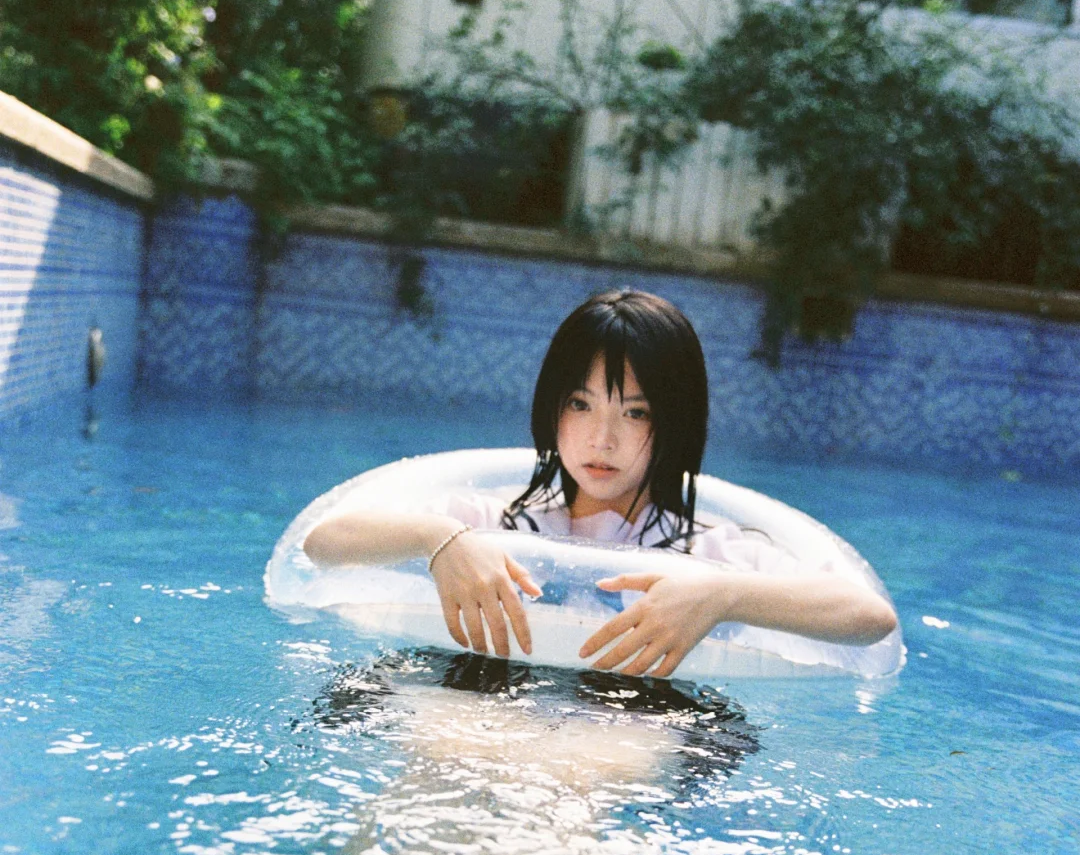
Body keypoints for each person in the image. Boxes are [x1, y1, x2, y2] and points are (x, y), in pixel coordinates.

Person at [303, 290, 897, 678]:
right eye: (580, 405)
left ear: (675, 423)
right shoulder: (492, 525)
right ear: (551, 408)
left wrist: (724, 596)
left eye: (635, 413)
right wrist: (440, 541)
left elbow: (867, 616)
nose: (601, 440)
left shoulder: (707, 553)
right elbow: (323, 542)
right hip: (479, 696)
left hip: (627, 723)